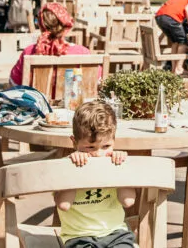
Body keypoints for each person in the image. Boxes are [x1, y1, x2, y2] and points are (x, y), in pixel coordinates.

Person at [55, 101, 136, 248]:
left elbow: (128, 201)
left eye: (106, 146)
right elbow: (64, 205)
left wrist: (120, 168)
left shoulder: (114, 162)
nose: (99, 154)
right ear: (74, 142)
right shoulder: (66, 165)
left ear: (114, 141)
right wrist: (74, 171)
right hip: (79, 237)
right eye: (90, 147)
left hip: (116, 234)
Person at [9, 2, 90, 86]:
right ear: (66, 25)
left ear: (40, 25)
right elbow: (98, 83)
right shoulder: (83, 52)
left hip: (38, 99)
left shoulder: (29, 51)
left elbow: (13, 83)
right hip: (72, 98)